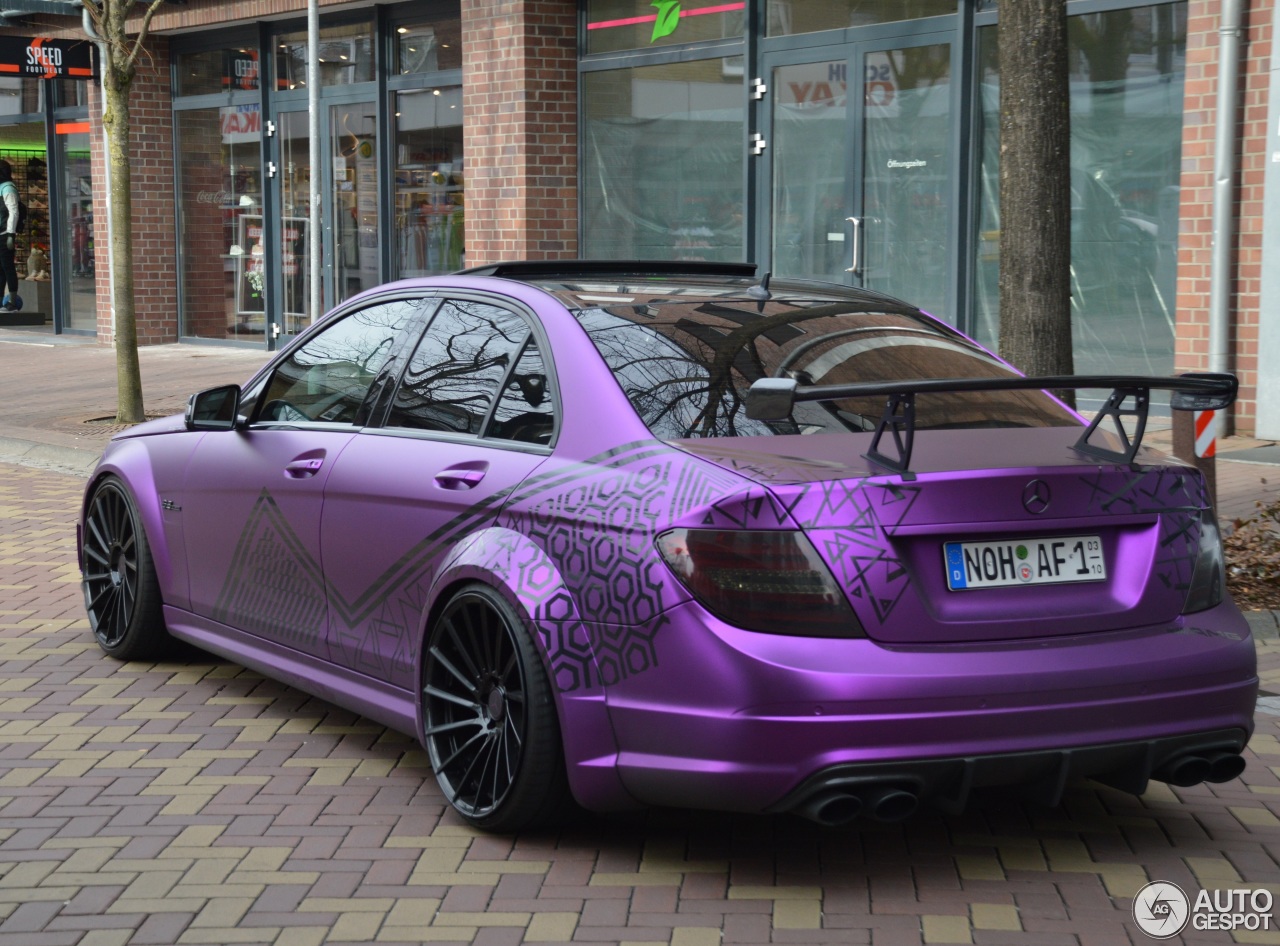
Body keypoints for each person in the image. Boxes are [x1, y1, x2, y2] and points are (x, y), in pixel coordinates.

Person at [0, 160, 21, 311]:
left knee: (8, 267)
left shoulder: (8, 188)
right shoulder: (2, 188)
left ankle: (12, 301)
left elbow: (14, 212)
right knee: (1, 269)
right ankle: (2, 300)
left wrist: (11, 235)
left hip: (5, 234)